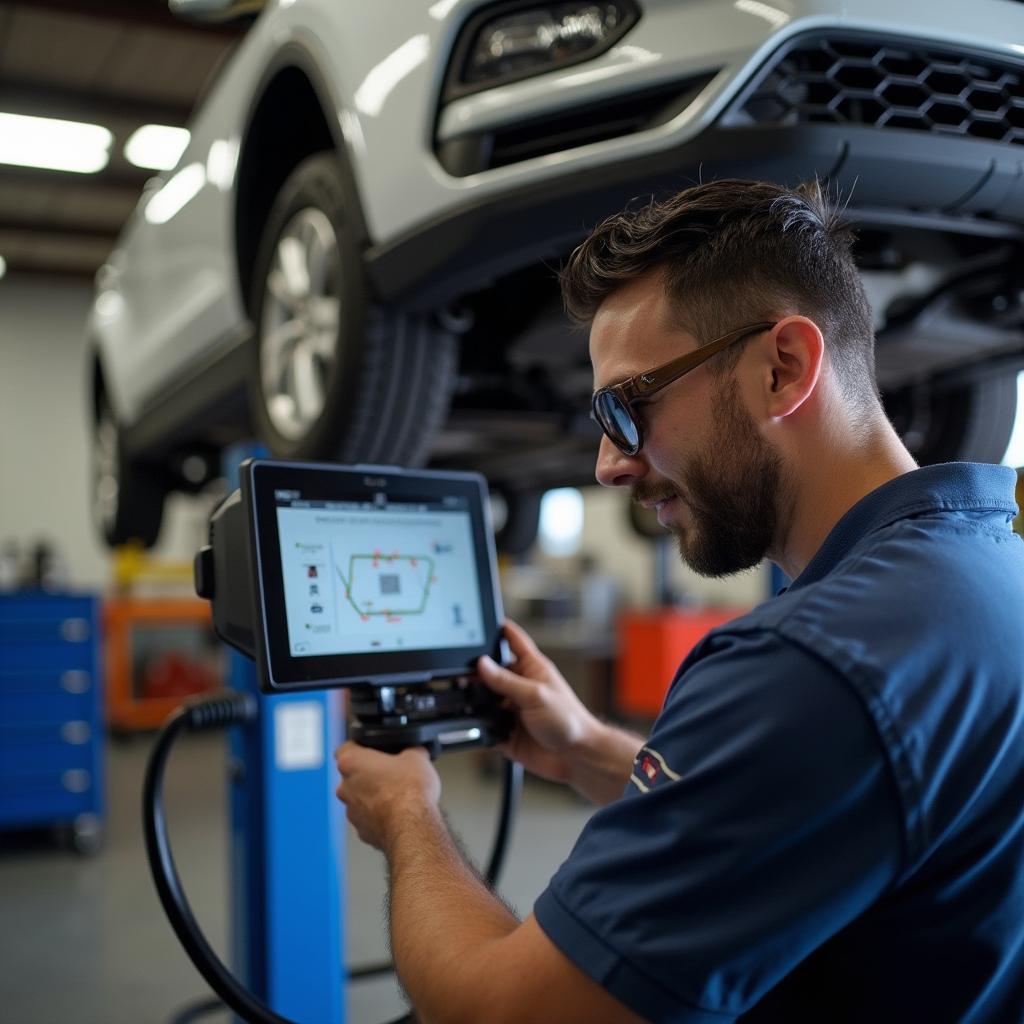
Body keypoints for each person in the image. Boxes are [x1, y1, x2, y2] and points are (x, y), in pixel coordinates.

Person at [335, 179, 1024, 1023]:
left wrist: (407, 815)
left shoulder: (810, 664)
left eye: (627, 406)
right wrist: (589, 748)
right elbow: (828, 804)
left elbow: (508, 1014)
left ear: (784, 369)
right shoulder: (991, 564)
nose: (608, 465)